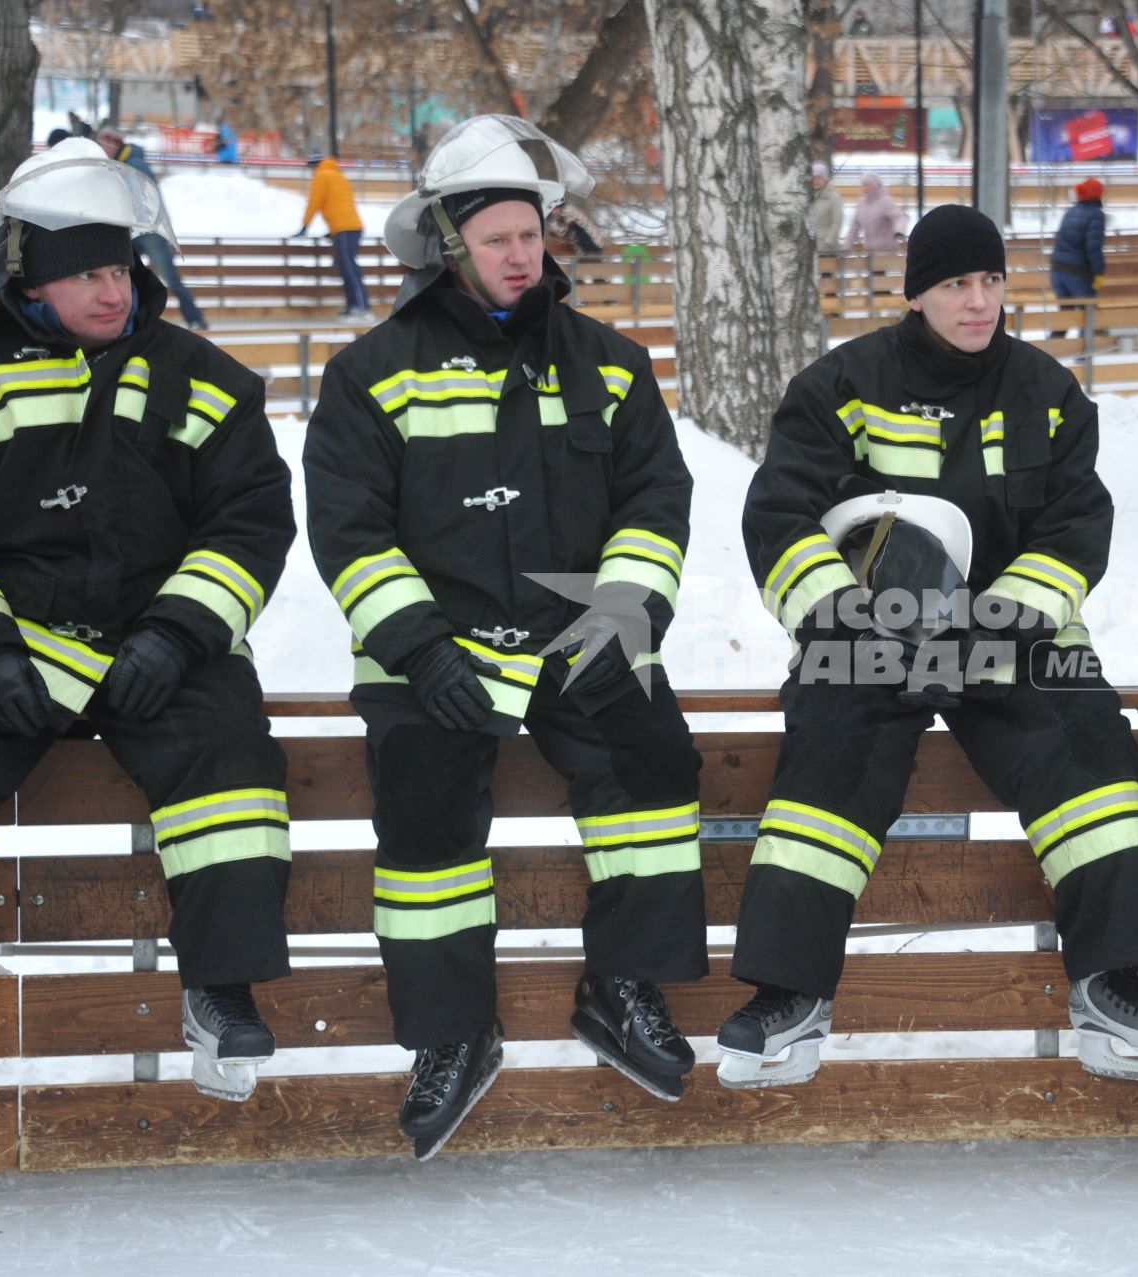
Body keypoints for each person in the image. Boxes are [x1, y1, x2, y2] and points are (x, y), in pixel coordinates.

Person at [717, 204, 1138, 1091]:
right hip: (868, 635)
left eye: (990, 281)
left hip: (1011, 634)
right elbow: (778, 514)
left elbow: (1077, 525)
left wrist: (1005, 617)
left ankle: (1111, 980)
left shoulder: (1049, 392)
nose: (978, 302)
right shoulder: (842, 384)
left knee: (1087, 746)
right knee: (828, 752)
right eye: (954, 285)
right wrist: (839, 617)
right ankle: (788, 995)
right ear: (918, 294)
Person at [303, 115, 708, 1159]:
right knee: (426, 811)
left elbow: (657, 501)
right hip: (437, 654)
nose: (523, 253)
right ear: (450, 245)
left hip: (584, 632)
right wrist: (420, 648)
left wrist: (622, 614)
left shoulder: (611, 362)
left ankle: (621, 989)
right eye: (498, 238)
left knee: (655, 761)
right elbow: (349, 531)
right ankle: (453, 1034)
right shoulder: (372, 373)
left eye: (532, 232)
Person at [0, 138, 296, 1108]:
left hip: (164, 643)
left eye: (119, 269)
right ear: (31, 284)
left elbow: (251, 522)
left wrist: (179, 633)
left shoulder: (207, 379)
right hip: (13, 646)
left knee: (230, 766)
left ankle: (221, 992)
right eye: (86, 274)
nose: (112, 291)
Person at [98, 126, 210, 331]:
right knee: (125, 273)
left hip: (150, 232)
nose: (103, 150)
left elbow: (145, 197)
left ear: (114, 145)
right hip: (134, 231)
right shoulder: (118, 165)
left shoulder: (134, 164)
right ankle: (134, 321)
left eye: (105, 145)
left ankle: (195, 318)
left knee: (170, 277)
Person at [293, 151, 371, 320]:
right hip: (351, 228)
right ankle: (354, 306)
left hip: (344, 229)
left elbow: (315, 201)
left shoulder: (322, 176)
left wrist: (304, 226)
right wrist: (333, 230)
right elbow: (340, 204)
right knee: (346, 267)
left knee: (349, 268)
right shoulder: (338, 175)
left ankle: (362, 307)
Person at [1051, 177, 1106, 301]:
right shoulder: (1096, 214)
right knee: (1088, 315)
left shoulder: (1071, 212)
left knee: (1067, 315)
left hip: (1058, 271)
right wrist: (1098, 272)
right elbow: (1093, 248)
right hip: (1077, 274)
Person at [847, 173, 906, 251]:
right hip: (869, 251)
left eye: (867, 185)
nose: (865, 188)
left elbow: (899, 217)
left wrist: (899, 231)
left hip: (887, 250)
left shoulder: (886, 201)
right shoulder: (862, 203)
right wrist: (847, 245)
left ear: (875, 186)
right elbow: (855, 226)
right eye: (863, 185)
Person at [810, 161, 844, 256]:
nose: (816, 181)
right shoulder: (809, 197)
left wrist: (829, 241)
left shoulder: (834, 197)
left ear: (825, 179)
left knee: (827, 269)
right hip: (811, 248)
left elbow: (837, 222)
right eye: (814, 178)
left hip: (828, 250)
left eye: (819, 178)